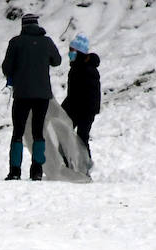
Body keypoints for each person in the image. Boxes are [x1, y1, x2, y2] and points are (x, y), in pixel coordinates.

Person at [1, 11, 60, 181]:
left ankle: (15, 171)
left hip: (22, 94)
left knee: (18, 132)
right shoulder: (47, 42)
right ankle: (37, 170)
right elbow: (57, 61)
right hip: (42, 95)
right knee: (38, 131)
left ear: (23, 26)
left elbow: (6, 68)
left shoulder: (16, 42)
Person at [61, 33, 100, 161]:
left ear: (79, 52)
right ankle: (76, 165)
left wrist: (67, 108)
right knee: (73, 136)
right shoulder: (79, 67)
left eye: (72, 50)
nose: (70, 53)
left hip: (83, 110)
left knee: (81, 138)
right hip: (81, 109)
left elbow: (82, 94)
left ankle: (83, 166)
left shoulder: (84, 69)